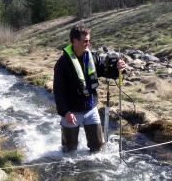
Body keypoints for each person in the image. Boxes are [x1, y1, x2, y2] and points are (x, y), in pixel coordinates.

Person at [53, 23, 126, 152]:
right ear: (75, 41)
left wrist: (117, 69)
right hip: (71, 112)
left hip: (90, 109)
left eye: (89, 40)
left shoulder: (92, 57)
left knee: (97, 147)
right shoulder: (62, 63)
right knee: (69, 150)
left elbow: (106, 71)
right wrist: (65, 112)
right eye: (85, 41)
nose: (88, 43)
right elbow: (58, 92)